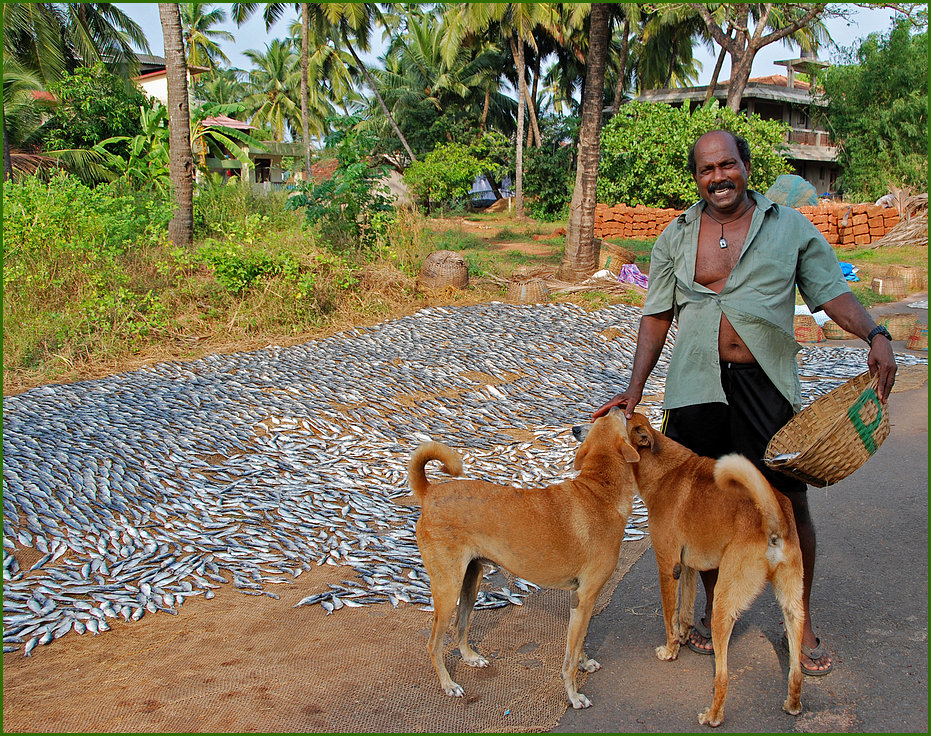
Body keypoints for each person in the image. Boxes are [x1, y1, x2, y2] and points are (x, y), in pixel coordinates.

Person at [593, 129, 897, 676]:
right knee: (706, 503)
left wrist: (875, 334)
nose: (718, 178)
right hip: (694, 388)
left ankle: (798, 620)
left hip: (766, 385)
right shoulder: (677, 237)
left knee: (786, 502)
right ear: (697, 178)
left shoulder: (790, 229)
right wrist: (634, 392)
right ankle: (715, 611)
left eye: (726, 166)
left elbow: (830, 292)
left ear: (746, 166)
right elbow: (657, 316)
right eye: (707, 170)